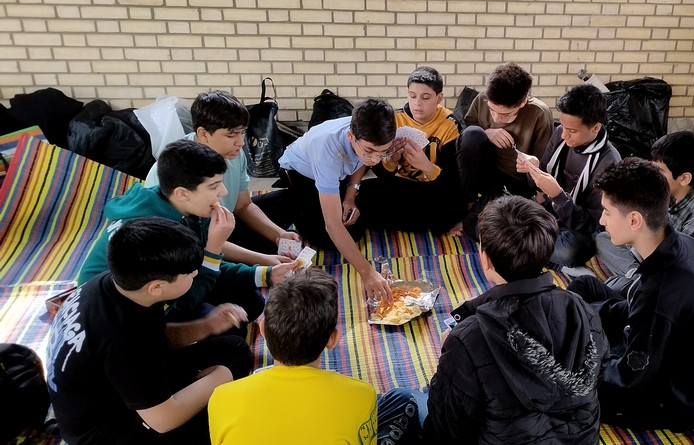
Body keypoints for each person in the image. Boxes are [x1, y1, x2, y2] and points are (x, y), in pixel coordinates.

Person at [48, 217, 253, 445]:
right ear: (156, 287)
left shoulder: (118, 285)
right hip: (107, 429)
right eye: (189, 274)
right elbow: (164, 420)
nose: (195, 274)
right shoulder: (124, 338)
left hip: (116, 384)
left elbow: (157, 337)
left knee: (234, 350)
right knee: (226, 417)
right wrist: (220, 377)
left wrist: (208, 326)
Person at [423, 195, 609, 444]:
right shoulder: (581, 309)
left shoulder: (468, 338)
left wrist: (452, 355)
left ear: (486, 259)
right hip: (580, 439)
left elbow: (445, 428)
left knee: (405, 400)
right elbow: (597, 375)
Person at [567, 157, 694, 431]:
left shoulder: (662, 293)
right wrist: (582, 315)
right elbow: (636, 309)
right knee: (582, 290)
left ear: (634, 219)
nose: (601, 220)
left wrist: (577, 360)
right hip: (668, 346)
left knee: (564, 378)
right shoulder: (681, 243)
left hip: (680, 398)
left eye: (607, 212)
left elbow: (629, 379)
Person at [78, 140, 297, 324]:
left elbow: (198, 264)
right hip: (120, 312)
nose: (223, 192)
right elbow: (183, 297)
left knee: (251, 302)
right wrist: (214, 247)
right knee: (229, 331)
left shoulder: (185, 207)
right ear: (182, 193)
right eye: (214, 186)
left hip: (175, 278)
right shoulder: (156, 234)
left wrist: (265, 273)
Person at [208, 268, 421, 445]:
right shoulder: (361, 395)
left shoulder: (221, 398)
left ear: (263, 329)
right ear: (333, 339)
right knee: (402, 400)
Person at [260, 98, 397, 305]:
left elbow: (363, 160)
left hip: (337, 174)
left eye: (383, 152)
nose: (376, 160)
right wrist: (367, 272)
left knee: (356, 220)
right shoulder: (327, 151)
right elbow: (332, 225)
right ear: (351, 136)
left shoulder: (374, 129)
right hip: (300, 173)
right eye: (370, 151)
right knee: (326, 239)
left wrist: (351, 194)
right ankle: (287, 201)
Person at [145, 90, 301, 262]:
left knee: (290, 199)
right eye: (231, 135)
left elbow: (242, 205)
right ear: (203, 134)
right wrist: (263, 260)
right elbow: (197, 240)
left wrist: (278, 235)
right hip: (192, 242)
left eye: (243, 132)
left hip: (223, 225)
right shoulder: (180, 166)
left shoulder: (235, 153)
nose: (241, 142)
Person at [596, 131, 694, 285]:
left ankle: (638, 279)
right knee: (603, 239)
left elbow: (678, 262)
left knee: (615, 286)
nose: (652, 174)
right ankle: (637, 275)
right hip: (665, 252)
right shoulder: (672, 190)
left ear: (684, 178)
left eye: (660, 171)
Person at [516, 83, 621, 268]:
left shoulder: (609, 163)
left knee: (571, 251)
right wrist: (534, 167)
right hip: (548, 211)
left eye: (572, 131)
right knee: (497, 215)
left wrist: (557, 196)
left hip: (578, 228)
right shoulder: (560, 133)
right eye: (563, 127)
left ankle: (525, 245)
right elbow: (540, 185)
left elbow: (593, 223)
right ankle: (533, 245)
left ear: (596, 128)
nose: (564, 135)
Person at [353, 67, 466, 235]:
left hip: (432, 191)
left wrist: (426, 166)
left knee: (452, 208)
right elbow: (381, 173)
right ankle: (416, 223)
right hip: (401, 188)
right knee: (362, 195)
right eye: (412, 96)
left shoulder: (450, 125)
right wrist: (391, 161)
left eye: (425, 97)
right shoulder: (395, 119)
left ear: (439, 98)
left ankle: (402, 222)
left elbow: (452, 182)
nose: (417, 103)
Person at [456, 62, 553, 239]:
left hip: (517, 182)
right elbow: (465, 135)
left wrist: (533, 165)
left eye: (505, 114)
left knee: (477, 230)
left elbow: (544, 165)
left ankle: (486, 205)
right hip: (486, 174)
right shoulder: (482, 99)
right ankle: (468, 201)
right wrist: (487, 132)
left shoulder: (539, 113)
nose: (497, 118)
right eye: (492, 110)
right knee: (472, 134)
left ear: (522, 102)